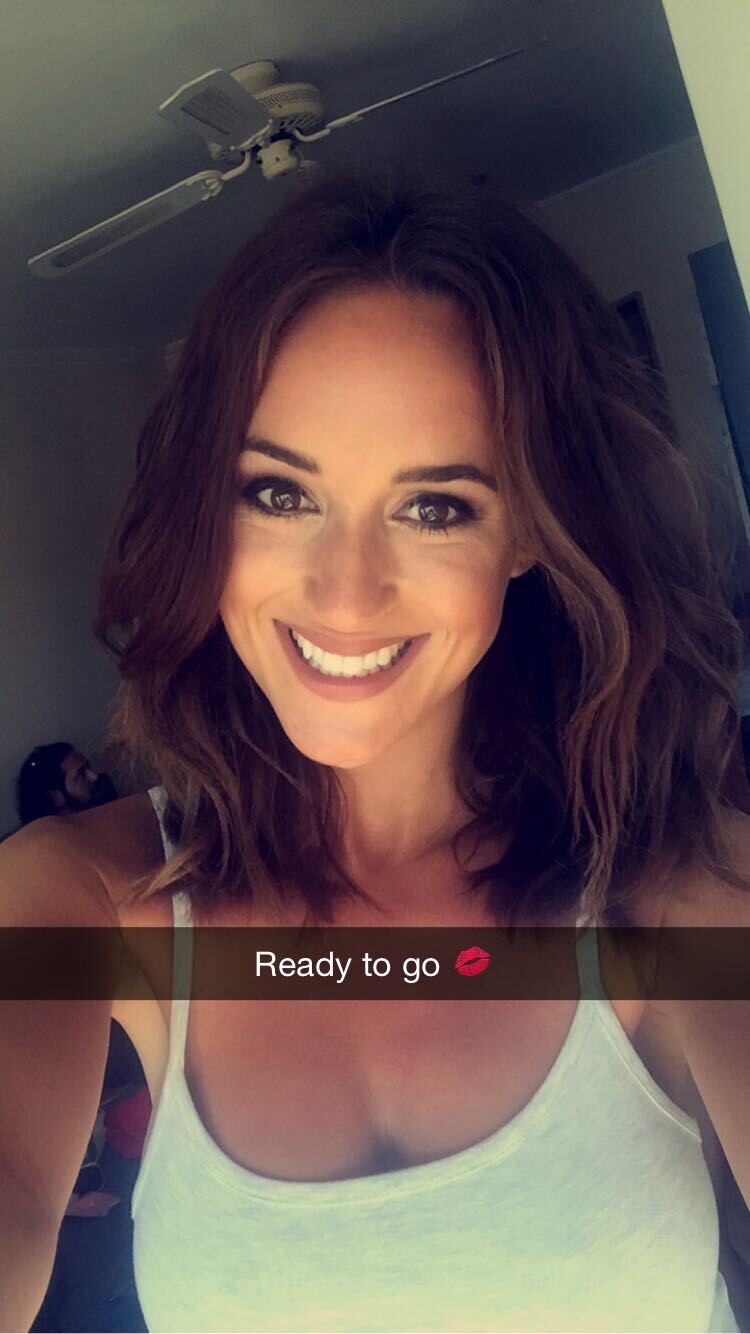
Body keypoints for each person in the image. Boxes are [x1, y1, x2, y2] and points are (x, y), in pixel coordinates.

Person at [2, 164, 750, 1333]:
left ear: (527, 532)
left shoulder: (678, 885)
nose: (345, 593)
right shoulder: (88, 895)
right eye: (279, 493)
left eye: (435, 505)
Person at [15, 742, 119, 826]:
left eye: (88, 768)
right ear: (56, 798)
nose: (94, 776)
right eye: (81, 774)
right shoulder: (61, 842)